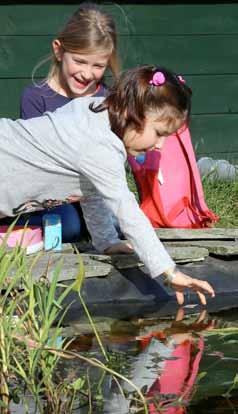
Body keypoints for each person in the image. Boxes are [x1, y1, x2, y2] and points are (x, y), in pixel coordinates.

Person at [0, 65, 215, 305]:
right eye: (158, 133)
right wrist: (169, 271)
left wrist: (106, 242)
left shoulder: (93, 112)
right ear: (133, 113)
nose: (160, 146)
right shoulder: (100, 146)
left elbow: (89, 191)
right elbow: (127, 211)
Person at [2, 2, 127, 251]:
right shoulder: (35, 97)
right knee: (67, 224)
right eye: (80, 61)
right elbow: (35, 169)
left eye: (98, 66)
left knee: (121, 221)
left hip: (94, 189)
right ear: (59, 51)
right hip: (55, 195)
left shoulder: (105, 100)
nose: (87, 73)